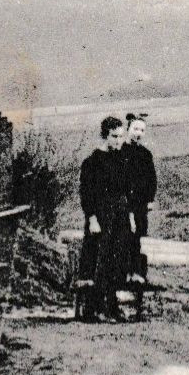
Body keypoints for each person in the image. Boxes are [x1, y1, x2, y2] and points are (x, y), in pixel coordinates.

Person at [77, 115, 129, 321]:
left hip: (119, 216)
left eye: (121, 136)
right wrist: (92, 219)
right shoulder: (92, 162)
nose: (118, 141)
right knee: (97, 262)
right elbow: (86, 193)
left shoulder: (122, 160)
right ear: (105, 136)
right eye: (114, 136)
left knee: (116, 261)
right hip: (100, 217)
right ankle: (93, 309)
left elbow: (125, 191)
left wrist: (129, 217)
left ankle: (112, 306)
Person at [116, 114, 157, 291]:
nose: (138, 133)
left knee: (137, 238)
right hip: (124, 203)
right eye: (135, 129)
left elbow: (151, 179)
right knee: (122, 236)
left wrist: (149, 200)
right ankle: (121, 273)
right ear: (128, 130)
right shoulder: (120, 152)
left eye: (142, 130)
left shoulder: (146, 155)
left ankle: (135, 274)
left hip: (140, 204)